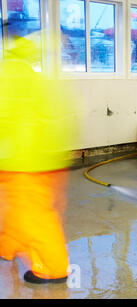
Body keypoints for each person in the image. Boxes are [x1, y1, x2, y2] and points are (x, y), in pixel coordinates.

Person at [0, 36, 77, 283]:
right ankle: (7, 247)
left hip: (25, 162)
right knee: (15, 207)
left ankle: (54, 269)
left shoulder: (9, 80)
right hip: (42, 159)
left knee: (35, 217)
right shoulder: (37, 80)